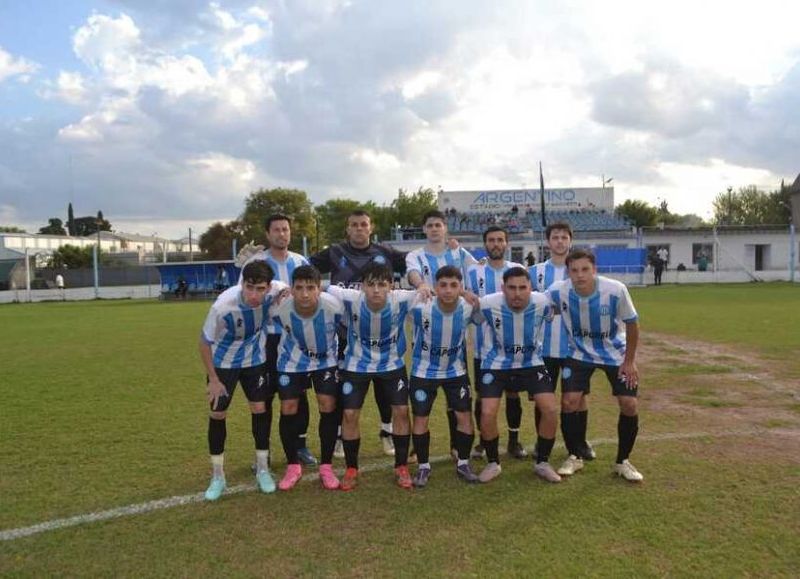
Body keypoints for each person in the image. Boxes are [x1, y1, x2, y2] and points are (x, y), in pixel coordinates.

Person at [309, 210, 407, 457]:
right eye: (354, 225)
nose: (359, 229)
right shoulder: (334, 253)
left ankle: (387, 433)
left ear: (371, 228)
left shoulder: (384, 253)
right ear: (347, 229)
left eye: (364, 224)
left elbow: (416, 263)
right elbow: (304, 268)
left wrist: (462, 257)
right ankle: (342, 434)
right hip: (344, 334)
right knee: (346, 389)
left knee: (384, 389)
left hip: (382, 335)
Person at [545, 249, 643, 482]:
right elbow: (535, 302)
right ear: (568, 273)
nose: (580, 275)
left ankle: (623, 461)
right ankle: (574, 456)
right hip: (579, 354)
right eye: (574, 271)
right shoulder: (558, 291)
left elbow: (632, 324)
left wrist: (629, 361)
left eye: (585, 269)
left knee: (629, 404)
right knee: (569, 402)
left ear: (594, 270)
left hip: (614, 354)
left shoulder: (616, 290)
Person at [326, 263, 426, 491]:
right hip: (356, 365)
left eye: (382, 284)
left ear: (391, 286)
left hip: (391, 365)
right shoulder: (349, 298)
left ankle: (401, 466)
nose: (376, 290)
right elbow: (324, 288)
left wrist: (424, 285)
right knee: (350, 414)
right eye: (371, 284)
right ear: (362, 286)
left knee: (401, 411)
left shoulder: (402, 299)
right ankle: (352, 468)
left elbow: (430, 293)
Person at [199, 261, 287, 501]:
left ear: (268, 287)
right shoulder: (223, 306)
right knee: (218, 414)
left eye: (260, 289)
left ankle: (262, 469)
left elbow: (288, 290)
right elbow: (204, 343)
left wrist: (286, 295)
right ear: (242, 284)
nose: (255, 295)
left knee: (260, 409)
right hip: (223, 364)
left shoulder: (276, 289)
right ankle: (218, 476)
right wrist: (214, 380)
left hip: (254, 360)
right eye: (250, 288)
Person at [237, 215, 317, 466]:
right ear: (267, 233)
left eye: (285, 229)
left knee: (298, 394)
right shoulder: (256, 262)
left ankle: (300, 446)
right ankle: (264, 451)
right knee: (265, 395)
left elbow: (314, 295)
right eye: (276, 230)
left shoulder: (300, 261)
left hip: (296, 339)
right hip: (266, 340)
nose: (282, 234)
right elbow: (244, 299)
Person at [474, 266, 561, 483]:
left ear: (531, 288)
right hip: (496, 364)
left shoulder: (542, 302)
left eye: (523, 287)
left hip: (531, 362)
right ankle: (493, 463)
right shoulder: (488, 303)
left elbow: (561, 310)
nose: (517, 293)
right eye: (512, 288)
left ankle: (542, 462)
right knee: (487, 413)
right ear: (503, 288)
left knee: (550, 410)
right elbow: (470, 315)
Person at [406, 209, 478, 456]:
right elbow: (414, 274)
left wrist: (467, 292)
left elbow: (476, 270)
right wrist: (422, 284)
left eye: (439, 225)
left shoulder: (458, 252)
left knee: (455, 398)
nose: (435, 229)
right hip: (425, 337)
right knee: (422, 401)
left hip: (455, 338)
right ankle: (418, 448)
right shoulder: (415, 255)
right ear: (424, 230)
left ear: (445, 228)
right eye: (430, 225)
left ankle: (456, 446)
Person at [269, 265, 343, 491]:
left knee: (327, 405)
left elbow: (347, 327)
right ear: (291, 289)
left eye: (310, 288)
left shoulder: (333, 306)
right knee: (289, 407)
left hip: (325, 360)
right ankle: (293, 465)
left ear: (319, 288)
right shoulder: (280, 309)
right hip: (292, 361)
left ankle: (327, 466)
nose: (304, 294)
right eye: (299, 288)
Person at [529, 222, 595, 462]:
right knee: (542, 397)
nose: (559, 241)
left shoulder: (579, 270)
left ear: (570, 240)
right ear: (548, 242)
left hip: (575, 349)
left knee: (578, 398)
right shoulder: (535, 271)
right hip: (543, 347)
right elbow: (531, 304)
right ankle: (541, 440)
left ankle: (580, 442)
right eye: (555, 237)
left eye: (564, 237)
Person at [409, 266, 480, 487]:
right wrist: (419, 286)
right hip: (423, 372)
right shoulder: (420, 306)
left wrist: (471, 297)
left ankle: (464, 462)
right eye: (443, 285)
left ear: (461, 287)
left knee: (464, 417)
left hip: (455, 372)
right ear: (435, 287)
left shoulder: (469, 307)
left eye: (453, 285)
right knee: (421, 418)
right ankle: (423, 467)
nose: (448, 290)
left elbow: (486, 312)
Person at [465, 226, 527, 461]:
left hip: (512, 349)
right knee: (483, 396)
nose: (496, 244)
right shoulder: (473, 272)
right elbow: (466, 299)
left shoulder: (518, 270)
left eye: (500, 240)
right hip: (483, 348)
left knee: (512, 394)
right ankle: (484, 440)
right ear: (485, 244)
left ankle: (514, 440)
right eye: (491, 240)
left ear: (507, 244)